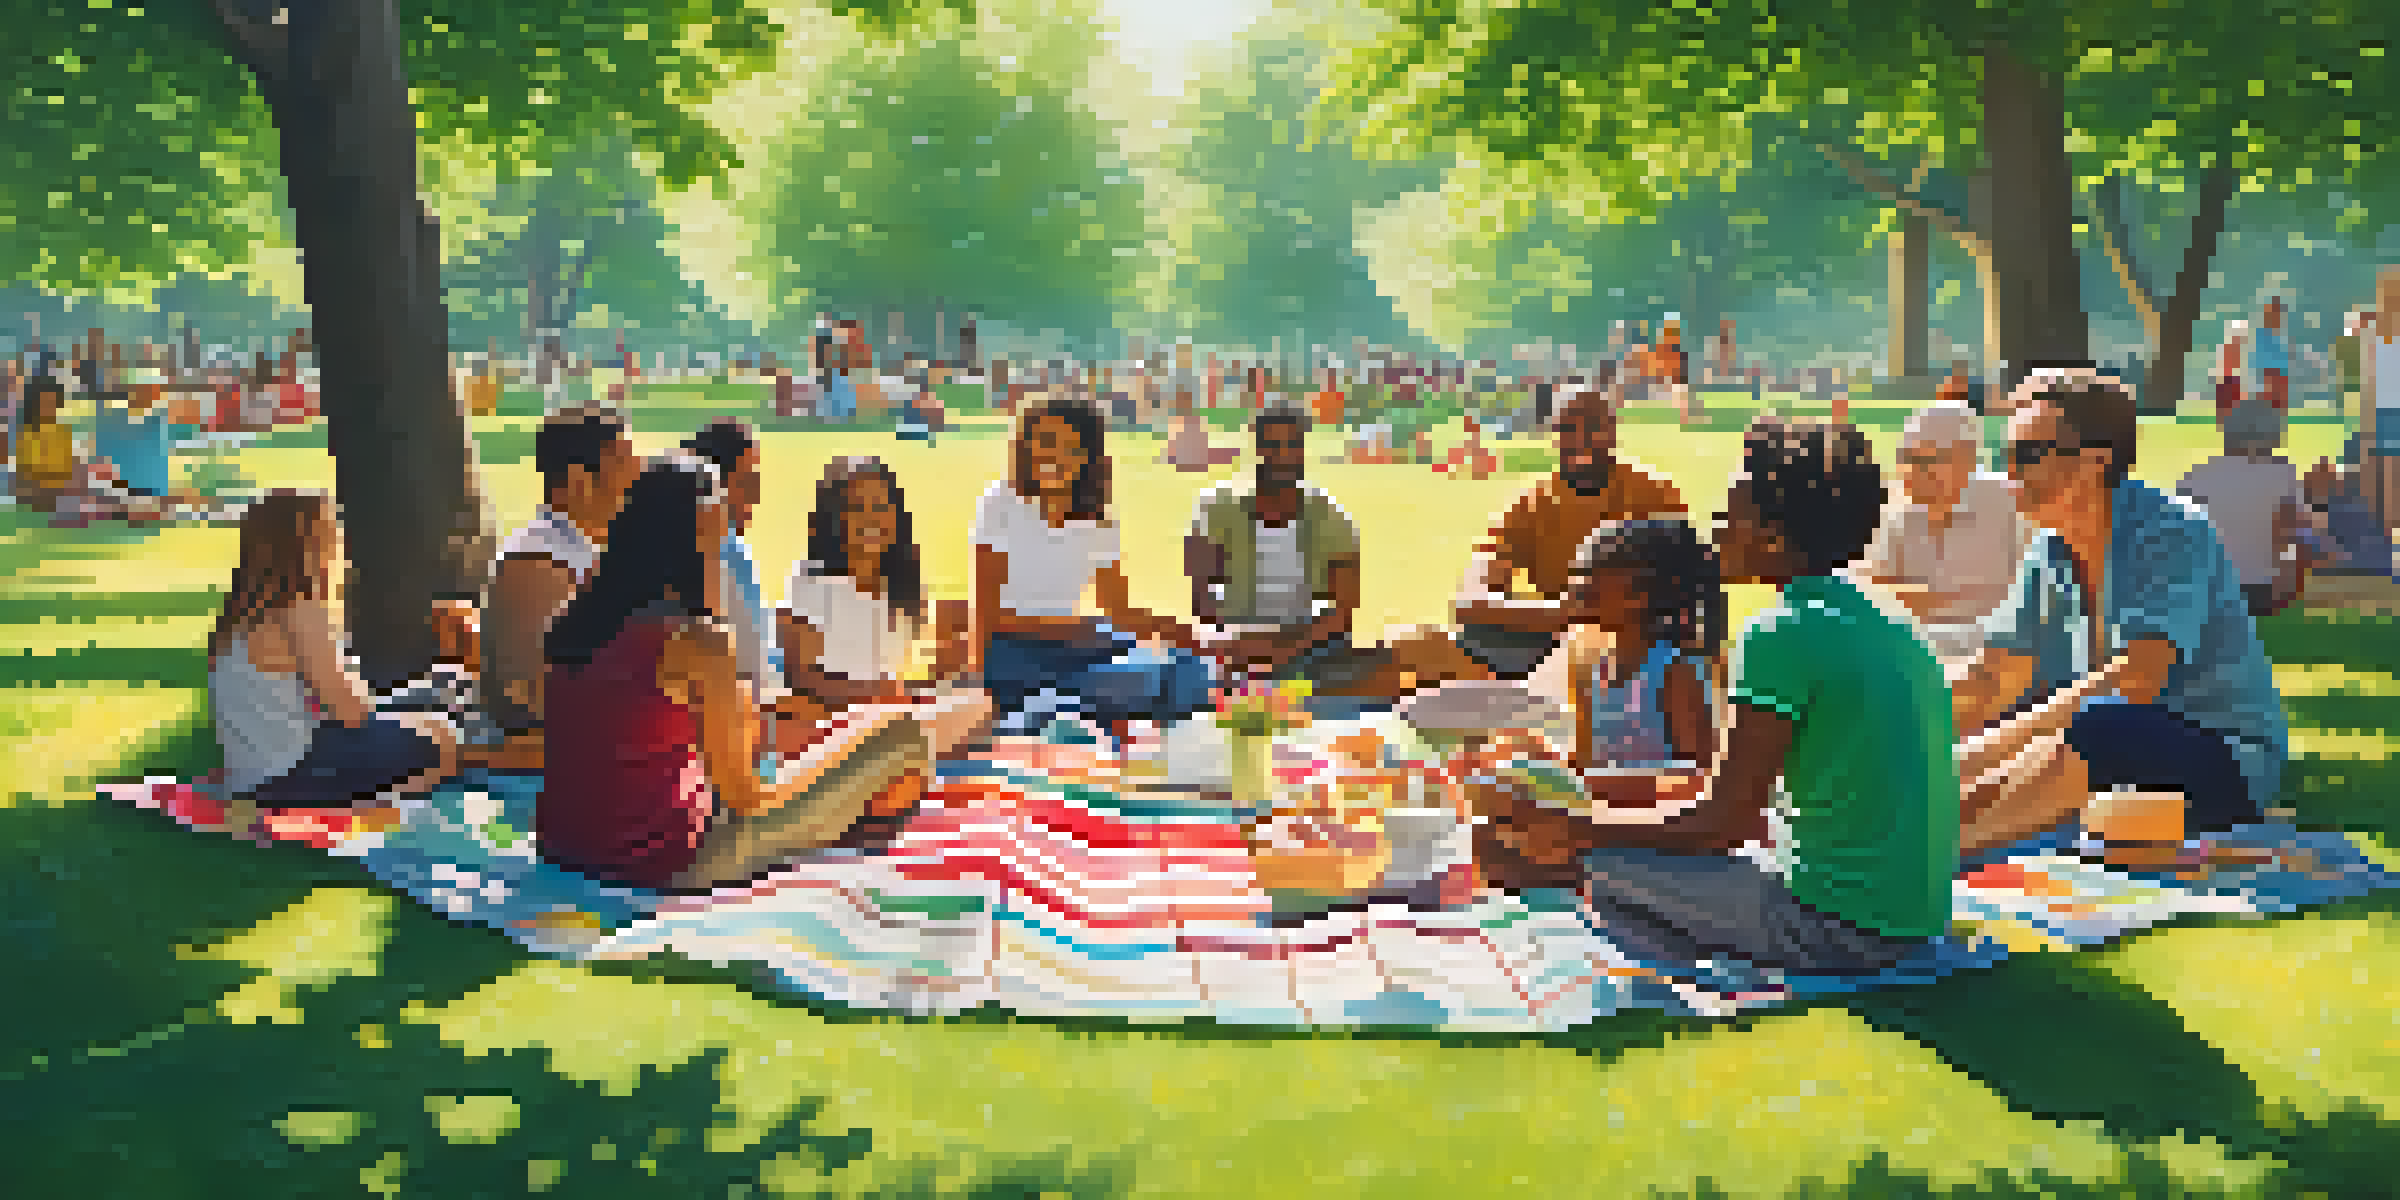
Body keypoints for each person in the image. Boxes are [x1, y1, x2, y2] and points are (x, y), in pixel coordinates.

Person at [1468, 418, 1958, 978]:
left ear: (1772, 538)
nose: (1715, 530)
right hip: (1912, 920)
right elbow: (1739, 795)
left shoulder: (1780, 632)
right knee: (1563, 840)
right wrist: (1593, 798)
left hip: (1834, 930)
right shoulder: (1885, 617)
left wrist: (1574, 829)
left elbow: (1724, 824)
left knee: (1507, 851)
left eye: (1730, 515)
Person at [1951, 367, 2289, 863]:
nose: (2009, 474)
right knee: (2016, 723)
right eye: (2006, 455)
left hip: (2222, 759)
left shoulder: (2170, 531)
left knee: (2094, 723)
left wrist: (1981, 751)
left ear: (2093, 462)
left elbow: (2136, 681)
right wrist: (1905, 730)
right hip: (2105, 747)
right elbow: (1992, 678)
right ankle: (1917, 833)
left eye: (2028, 455)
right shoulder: (2051, 548)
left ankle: (1942, 853)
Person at [537, 456, 902, 891]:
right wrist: (821, 765)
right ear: (693, 547)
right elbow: (747, 799)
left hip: (566, 847)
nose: (723, 560)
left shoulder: (575, 626)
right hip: (668, 864)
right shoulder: (697, 641)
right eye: (717, 543)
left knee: (813, 731)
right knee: (901, 736)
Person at [206, 491, 461, 824]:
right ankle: (369, 807)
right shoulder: (299, 611)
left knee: (419, 713)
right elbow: (352, 713)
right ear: (311, 547)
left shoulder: (235, 619)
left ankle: (370, 797)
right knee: (445, 736)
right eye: (334, 533)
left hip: (250, 779)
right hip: (293, 778)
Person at [971, 394, 1215, 733]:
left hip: (1082, 648)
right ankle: (1054, 712)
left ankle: (1060, 712)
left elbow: (1120, 612)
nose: (1054, 457)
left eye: (1070, 447)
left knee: (1189, 668)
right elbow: (988, 614)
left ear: (1088, 457)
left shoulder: (1099, 518)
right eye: (1044, 443)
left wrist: (1187, 634)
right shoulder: (1001, 503)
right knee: (1128, 682)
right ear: (1024, 449)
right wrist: (979, 684)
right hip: (1015, 654)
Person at [1185, 408, 1387, 695]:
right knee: (1188, 677)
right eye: (1273, 445)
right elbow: (1200, 596)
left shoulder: (1330, 517)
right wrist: (1233, 641)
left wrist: (1285, 648)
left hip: (1304, 643)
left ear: (1303, 449)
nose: (1283, 456)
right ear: (1257, 448)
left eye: (1293, 445)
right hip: (1233, 639)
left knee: (1364, 675)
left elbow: (1342, 611)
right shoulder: (1216, 508)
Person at [479, 409, 643, 746]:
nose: (640, 481)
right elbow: (534, 699)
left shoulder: (584, 551)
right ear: (578, 481)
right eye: (626, 469)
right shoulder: (538, 562)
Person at [779, 456, 978, 724]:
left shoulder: (902, 582)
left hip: (891, 718)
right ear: (834, 518)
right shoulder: (812, 579)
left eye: (881, 506)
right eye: (856, 507)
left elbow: (923, 649)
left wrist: (953, 661)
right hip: (832, 724)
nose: (870, 518)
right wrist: (873, 694)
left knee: (977, 703)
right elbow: (801, 678)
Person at [1855, 398, 2030, 668]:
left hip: (1995, 659)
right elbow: (1866, 591)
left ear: (1968, 460)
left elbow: (2035, 602)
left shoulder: (2012, 505)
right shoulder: (1893, 509)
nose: (1914, 474)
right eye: (1909, 459)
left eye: (1929, 461)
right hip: (1912, 659)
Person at [1562, 518, 1724, 771]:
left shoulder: (1676, 673)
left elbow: (1702, 776)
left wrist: (1613, 785)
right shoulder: (1594, 674)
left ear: (1639, 595)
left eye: (1591, 575)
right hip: (1606, 807)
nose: (1577, 585)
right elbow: (1583, 767)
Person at [2177, 404, 2314, 618]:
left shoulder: (2195, 476)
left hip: (2206, 591)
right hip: (2261, 590)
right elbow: (2293, 535)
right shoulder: (2283, 473)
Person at [682, 419, 782, 700]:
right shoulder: (720, 556)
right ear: (715, 486)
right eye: (748, 481)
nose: (757, 495)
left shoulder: (729, 550)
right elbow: (758, 679)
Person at [2254, 297, 2292, 414]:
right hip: (2268, 372)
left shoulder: (2282, 333)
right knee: (2267, 402)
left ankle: (2277, 423)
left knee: (2278, 404)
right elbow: (2260, 356)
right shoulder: (2262, 333)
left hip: (2279, 372)